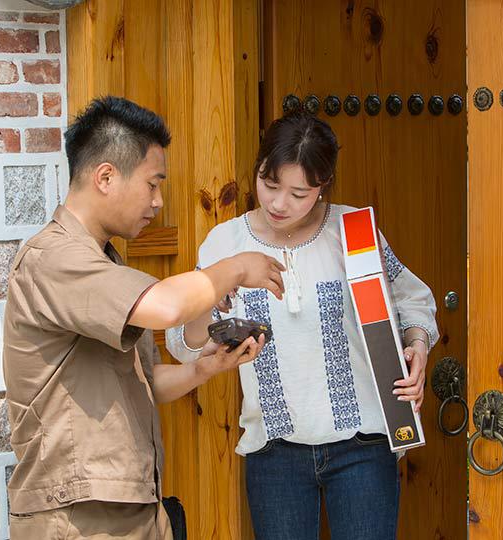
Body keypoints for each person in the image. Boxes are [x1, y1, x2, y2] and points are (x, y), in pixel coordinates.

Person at [2, 96, 284, 540]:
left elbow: (146, 383)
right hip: (79, 520)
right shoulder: (53, 258)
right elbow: (167, 307)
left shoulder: (103, 263)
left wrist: (203, 368)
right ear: (106, 177)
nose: (157, 201)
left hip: (130, 511)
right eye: (153, 184)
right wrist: (235, 267)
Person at [165, 112, 439, 539]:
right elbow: (183, 343)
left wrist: (417, 347)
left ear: (322, 186)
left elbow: (412, 299)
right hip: (274, 449)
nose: (278, 203)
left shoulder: (354, 233)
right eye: (269, 184)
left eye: (299, 193)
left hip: (363, 443)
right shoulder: (226, 242)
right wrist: (214, 291)